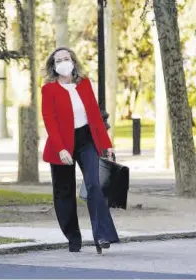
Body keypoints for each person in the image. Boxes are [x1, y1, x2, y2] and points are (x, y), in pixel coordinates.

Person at [41, 47, 119, 254]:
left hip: (86, 141)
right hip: (61, 145)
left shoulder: (84, 84)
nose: (63, 62)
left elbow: (94, 115)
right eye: (59, 60)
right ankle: (73, 238)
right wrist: (60, 149)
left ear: (73, 61)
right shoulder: (48, 90)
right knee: (64, 193)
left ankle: (102, 235)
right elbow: (50, 121)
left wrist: (106, 144)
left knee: (94, 185)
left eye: (67, 58)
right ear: (53, 66)